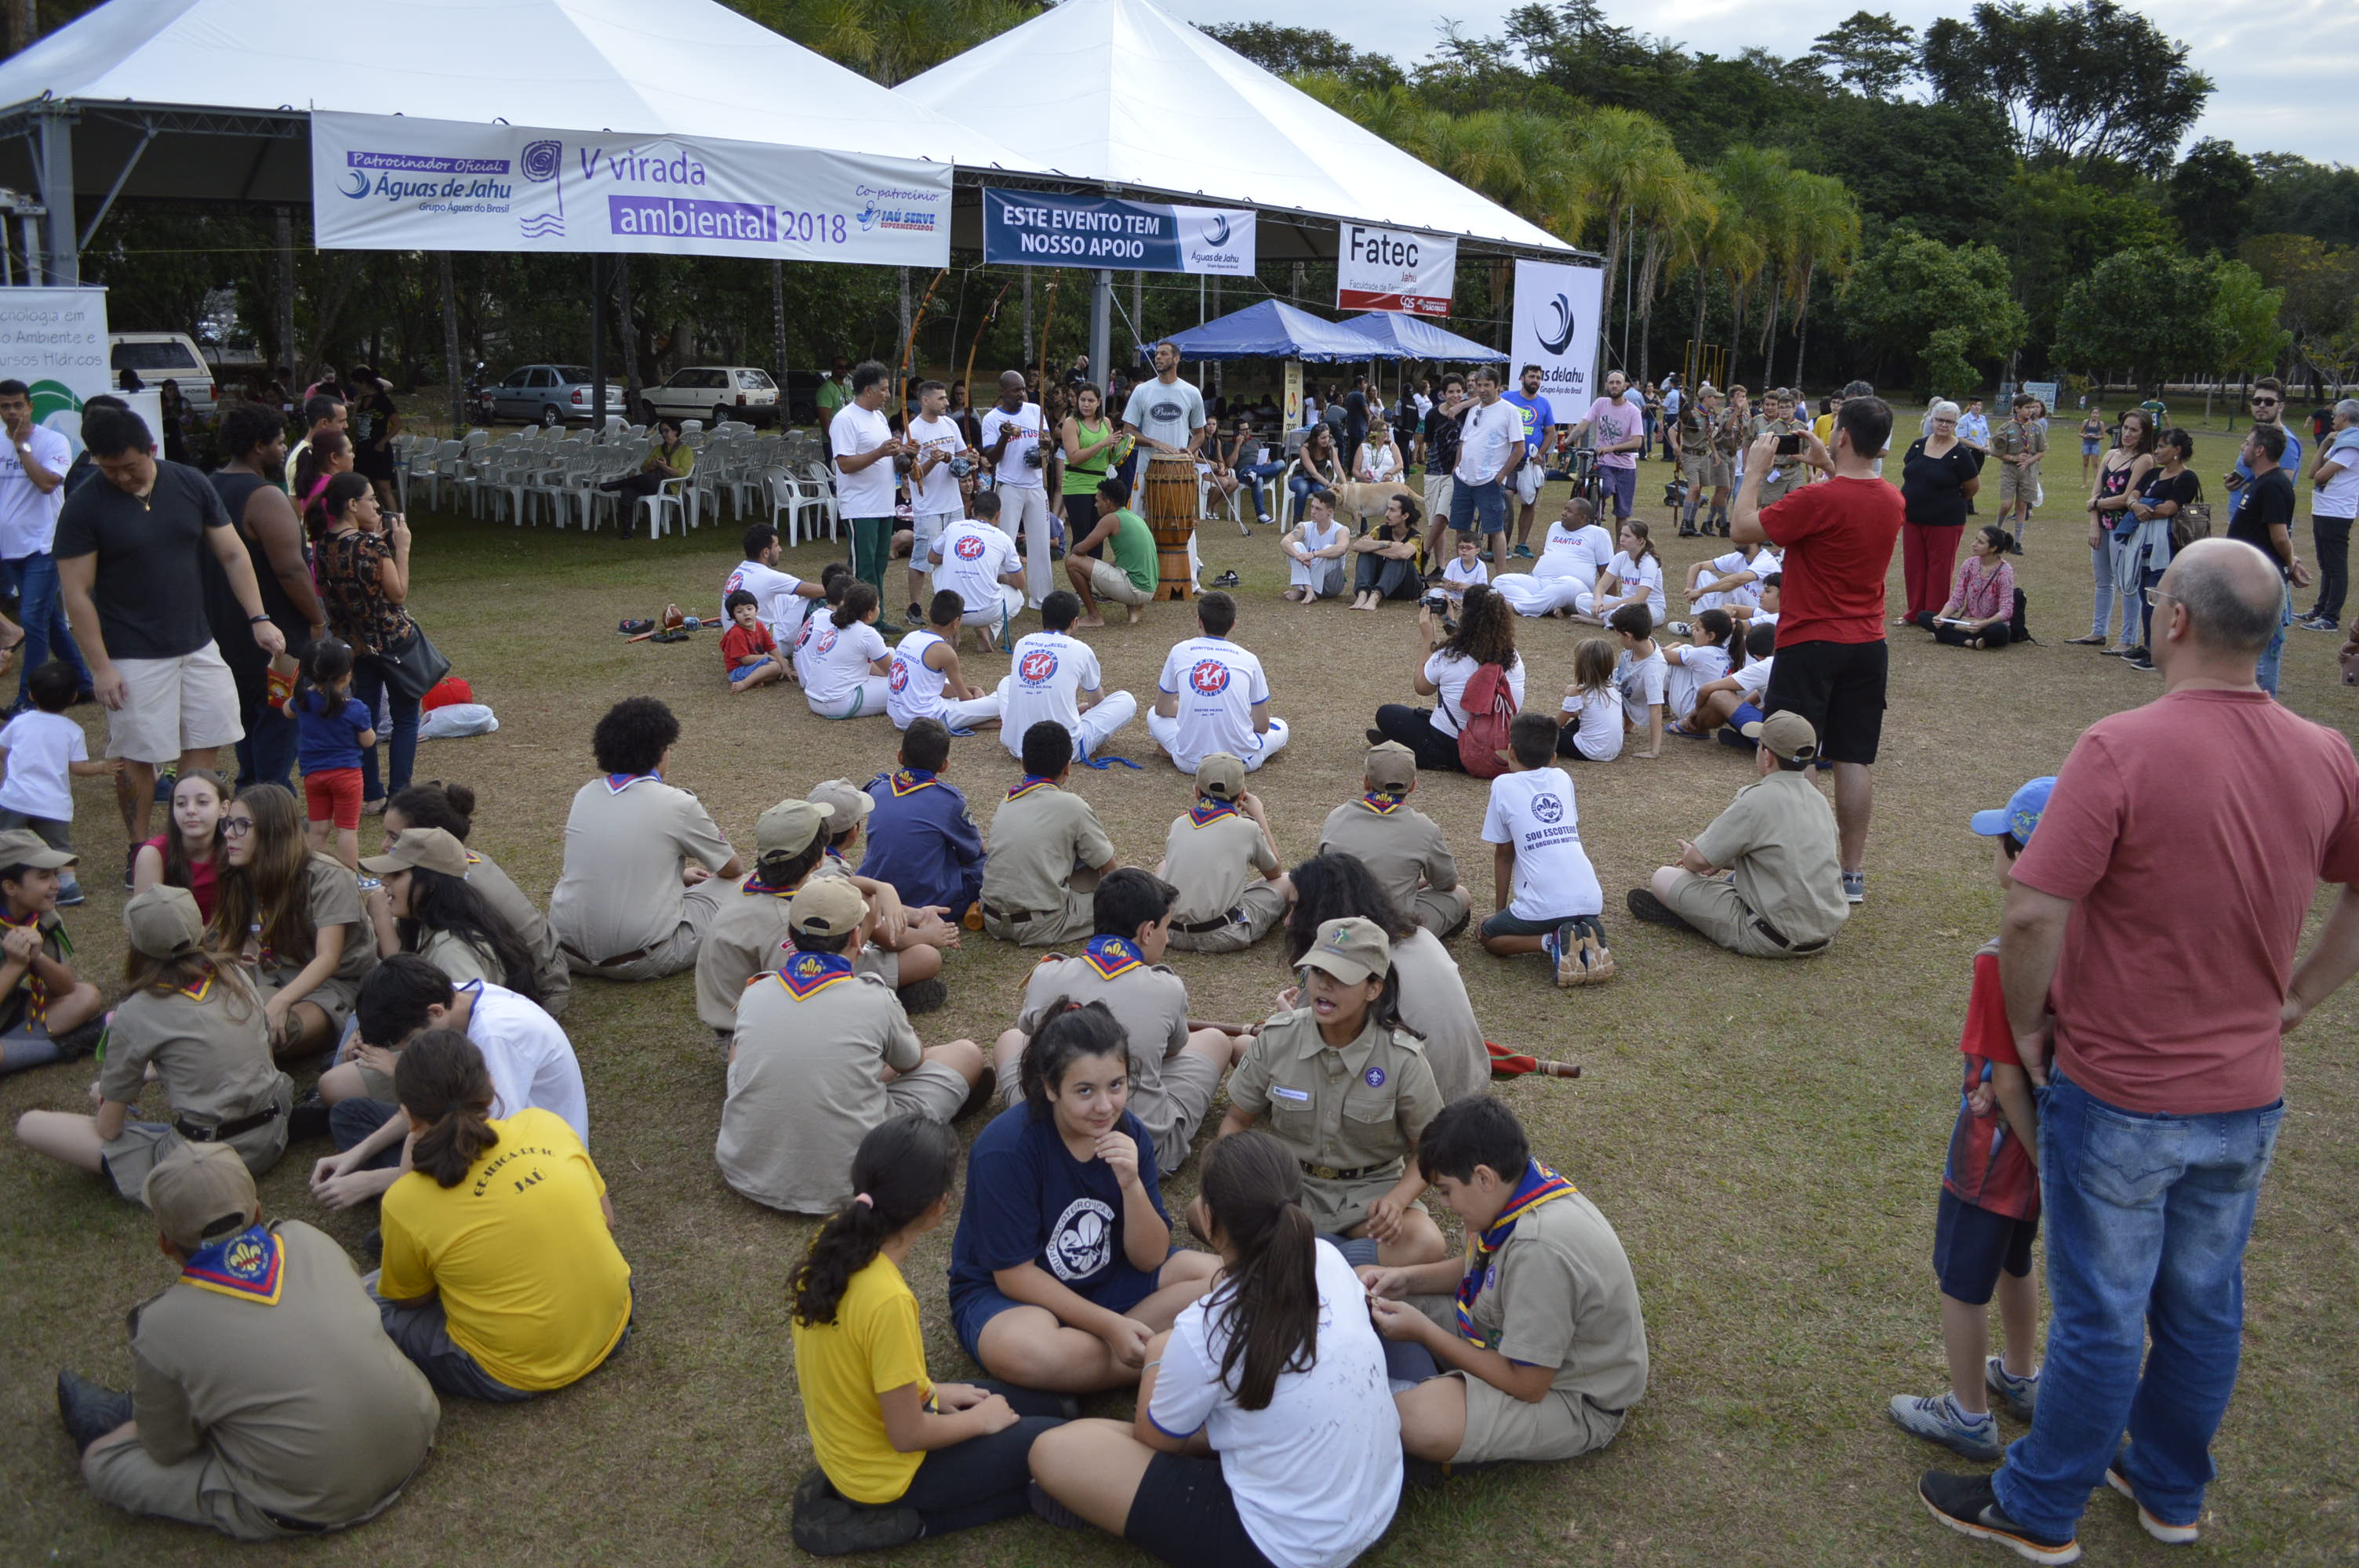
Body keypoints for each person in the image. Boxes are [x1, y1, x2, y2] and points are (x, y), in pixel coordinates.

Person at [1917, 539, 2359, 1564]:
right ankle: (2167, 1491)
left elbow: (2031, 910)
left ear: (2173, 621)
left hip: (2120, 1095)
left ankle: (2039, 1508)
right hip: (2245, 1096)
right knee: (2204, 1303)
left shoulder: (2120, 748)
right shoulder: (2327, 753)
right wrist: (2301, 998)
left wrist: (2029, 1028)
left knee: (2105, 1311)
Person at [1026, 1129, 1403, 1566]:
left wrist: (1156, 1356)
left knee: (1055, 1451)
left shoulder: (1205, 1327)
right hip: (1376, 1502)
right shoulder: (1329, 1260)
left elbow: (1156, 1438)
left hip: (1283, 1547)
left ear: (1208, 1219)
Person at [51, 1143, 438, 1541]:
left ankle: (124, 1418)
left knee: (103, 1463)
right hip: (418, 1432)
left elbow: (169, 1449)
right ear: (256, 1212)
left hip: (316, 1502)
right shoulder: (305, 1237)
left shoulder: (162, 1324)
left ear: (165, 1244)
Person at [786, 1116, 1072, 1556]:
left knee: (1057, 1405)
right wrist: (980, 1421)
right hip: (889, 1479)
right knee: (1057, 1447)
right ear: (938, 1207)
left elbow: (857, 1369)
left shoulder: (832, 1239)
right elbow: (906, 1434)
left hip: (861, 1449)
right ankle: (909, 1524)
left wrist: (936, 1391)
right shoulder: (887, 1300)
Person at [1886, 778, 2051, 1464]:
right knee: (2017, 1258)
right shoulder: (2097, 945)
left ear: (2019, 856)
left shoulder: (2000, 958)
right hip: (2053, 1149)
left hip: (1995, 1152)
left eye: (2001, 844)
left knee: (1961, 1277)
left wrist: (2038, 1152)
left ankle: (1968, 1413)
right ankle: (2020, 1375)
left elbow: (2005, 1078)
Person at [54, 409, 285, 871]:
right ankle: (140, 847)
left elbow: (233, 553)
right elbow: (76, 593)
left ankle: (190, 846)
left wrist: (258, 616)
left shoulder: (190, 483)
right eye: (108, 468)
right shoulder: (85, 503)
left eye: (130, 466)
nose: (119, 477)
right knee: (137, 755)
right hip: (131, 652)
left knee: (203, 744)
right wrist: (100, 667)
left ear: (151, 451)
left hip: (198, 642)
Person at [1361, 1095, 1648, 1466]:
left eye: (1446, 1191)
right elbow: (1481, 1268)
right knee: (1367, 1287)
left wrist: (1425, 1332)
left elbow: (1528, 1384)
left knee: (1417, 1419)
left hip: (1570, 1396)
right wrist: (1405, 1280)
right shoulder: (1517, 1188)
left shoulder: (1539, 1248)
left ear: (1483, 1177)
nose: (1445, 1204)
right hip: (1506, 1338)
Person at [948, 1002, 1221, 1392]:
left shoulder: (1131, 1134)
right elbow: (1013, 1276)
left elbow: (1150, 1258)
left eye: (1116, 1085)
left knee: (1223, 1280)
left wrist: (1132, 1186)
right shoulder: (1006, 1149)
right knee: (1027, 1350)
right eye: (1084, 1091)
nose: (1105, 1106)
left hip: (1108, 1276)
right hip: (1018, 1298)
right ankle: (1155, 1352)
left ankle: (1103, 1363)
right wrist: (1110, 1325)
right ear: (1049, 1087)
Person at [368, 1031, 632, 1401]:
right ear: (490, 1088)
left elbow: (412, 1301)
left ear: (409, 1116)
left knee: (367, 1299)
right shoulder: (546, 1124)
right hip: (616, 1321)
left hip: (514, 1372)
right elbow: (607, 1222)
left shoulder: (404, 1200)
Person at [718, 878, 981, 1215]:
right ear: (858, 936)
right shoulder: (874, 996)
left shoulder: (756, 991)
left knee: (746, 1050)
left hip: (748, 1172)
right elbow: (910, 1062)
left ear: (790, 935)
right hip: (856, 1180)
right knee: (965, 1054)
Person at [1734, 394, 1900, 906]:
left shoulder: (1815, 501)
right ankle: (1851, 874)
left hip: (1810, 642)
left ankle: (1802, 864)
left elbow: (1743, 527)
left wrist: (1754, 470)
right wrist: (1830, 464)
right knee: (1853, 758)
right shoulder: (1893, 499)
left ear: (1843, 434)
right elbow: (1855, 491)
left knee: (1791, 752)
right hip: (1868, 644)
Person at [16, 883, 286, 1185]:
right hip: (271, 1137)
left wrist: (106, 1097)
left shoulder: (137, 1012)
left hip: (205, 1162)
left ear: (134, 940)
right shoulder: (234, 973)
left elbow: (109, 1130)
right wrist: (149, 1074)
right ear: (198, 925)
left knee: (31, 1125)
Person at [1219, 915, 1448, 1269]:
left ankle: (1304, 1260)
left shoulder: (1402, 1058)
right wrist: (1231, 1181)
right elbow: (1236, 1120)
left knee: (1426, 1243)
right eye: (1318, 972)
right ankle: (1332, 1263)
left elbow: (1430, 1148)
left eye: (1341, 978)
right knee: (1205, 1213)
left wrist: (1397, 1201)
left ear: (1374, 989)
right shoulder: (1279, 1037)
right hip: (1287, 1189)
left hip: (1368, 1196)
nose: (1324, 986)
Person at [993, 867, 1242, 1176]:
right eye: (1166, 927)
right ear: (1148, 931)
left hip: (1053, 1137)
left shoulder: (1047, 975)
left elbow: (1031, 1036)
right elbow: (1173, 1053)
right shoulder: (1165, 987)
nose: (1166, 936)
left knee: (1011, 1040)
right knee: (1215, 1040)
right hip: (1138, 1152)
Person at [1626, 710, 1849, 958]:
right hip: (1823, 934)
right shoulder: (1817, 799)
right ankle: (1702, 913)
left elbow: (1697, 861)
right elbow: (1790, 856)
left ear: (1766, 756)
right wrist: (1724, 862)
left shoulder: (1755, 798)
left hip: (1769, 936)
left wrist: (1692, 857)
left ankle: (1696, 918)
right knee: (1735, 879)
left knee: (1663, 878)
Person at [547, 697, 741, 981]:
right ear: (660, 751)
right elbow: (731, 868)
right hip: (642, 959)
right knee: (741, 885)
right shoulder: (678, 804)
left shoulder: (585, 794)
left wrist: (676, 876)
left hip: (567, 952)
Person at [206, 405, 327, 793]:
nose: (283, 450)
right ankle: (270, 801)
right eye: (278, 443)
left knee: (247, 715)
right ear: (259, 446)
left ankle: (249, 789)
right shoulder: (264, 496)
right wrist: (317, 618)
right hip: (274, 629)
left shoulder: (208, 487)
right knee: (279, 714)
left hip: (223, 624)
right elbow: (290, 568)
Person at [208, 782, 376, 1057]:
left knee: (272, 1032)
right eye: (227, 823)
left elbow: (328, 958)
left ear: (273, 831)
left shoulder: (328, 876)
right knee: (222, 1022)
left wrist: (281, 1002)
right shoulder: (239, 871)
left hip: (339, 985)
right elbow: (227, 941)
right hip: (273, 976)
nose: (228, 833)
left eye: (241, 825)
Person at [379, 780, 569, 1018]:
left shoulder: (456, 889)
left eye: (394, 838)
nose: (384, 845)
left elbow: (473, 1008)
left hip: (541, 986)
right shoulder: (456, 865)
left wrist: (381, 917)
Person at [1475, 711, 1612, 985]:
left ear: (1510, 752)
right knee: (1558, 915)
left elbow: (1504, 854)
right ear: (1554, 757)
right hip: (1591, 901)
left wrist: (1500, 911)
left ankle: (1552, 942)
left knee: (1488, 936)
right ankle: (1581, 932)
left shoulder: (1502, 785)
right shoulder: (1562, 778)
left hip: (1542, 906)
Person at [311, 474, 420, 811]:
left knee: (366, 718)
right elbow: (398, 592)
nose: (376, 505)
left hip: (353, 647)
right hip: (391, 642)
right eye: (371, 498)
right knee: (405, 718)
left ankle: (372, 793)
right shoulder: (371, 546)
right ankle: (400, 793)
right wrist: (401, 548)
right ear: (352, 505)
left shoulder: (323, 545)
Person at [355, 826, 543, 1003]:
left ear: (430, 884)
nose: (384, 881)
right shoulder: (435, 920)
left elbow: (470, 1016)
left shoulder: (453, 952)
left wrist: (382, 921)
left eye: (396, 875)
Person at [980, 722, 1118, 947]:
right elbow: (1109, 868)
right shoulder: (1073, 806)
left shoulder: (1007, 800)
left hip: (991, 919)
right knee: (1124, 890)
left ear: (1023, 763)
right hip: (1042, 925)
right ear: (1068, 767)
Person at [1317, 740, 1470, 939]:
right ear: (1413, 785)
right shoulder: (1424, 828)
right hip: (1390, 931)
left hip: (1335, 924)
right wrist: (1415, 883)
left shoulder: (1337, 816)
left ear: (1366, 781)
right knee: (1461, 894)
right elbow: (1446, 885)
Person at [0, 377, 89, 713]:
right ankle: (83, 683)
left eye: (18, 405)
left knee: (32, 619)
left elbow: (47, 484)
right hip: (10, 548)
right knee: (49, 620)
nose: (12, 413)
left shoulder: (52, 441)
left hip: (44, 545)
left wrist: (22, 447)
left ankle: (27, 698)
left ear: (30, 406)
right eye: (5, 406)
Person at [1371, 586, 1523, 773]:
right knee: (1436, 712)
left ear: (1467, 616)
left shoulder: (1449, 655)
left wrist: (1428, 639)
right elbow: (1475, 654)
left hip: (1448, 746)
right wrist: (1449, 623)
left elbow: (1422, 687)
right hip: (1495, 745)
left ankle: (1406, 747)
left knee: (1388, 713)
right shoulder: (1514, 658)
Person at [1154, 753, 1290, 955]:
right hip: (1221, 934)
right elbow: (1274, 872)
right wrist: (1259, 815)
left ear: (1196, 792)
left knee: (1163, 865)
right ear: (1242, 794)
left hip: (1169, 932)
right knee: (1288, 879)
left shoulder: (1179, 823)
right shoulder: (1246, 828)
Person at [0, 658, 110, 902]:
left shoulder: (19, 722)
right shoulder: (72, 731)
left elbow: (2, 749)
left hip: (15, 798)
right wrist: (102, 768)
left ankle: (9, 882)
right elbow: (79, 768)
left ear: (31, 694)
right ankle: (68, 886)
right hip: (53, 803)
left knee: (7, 841)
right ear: (73, 697)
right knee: (58, 847)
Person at [1147, 589, 1286, 775]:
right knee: (1281, 726)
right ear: (1233, 624)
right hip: (1242, 762)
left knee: (1153, 715)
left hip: (1190, 762)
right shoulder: (1249, 659)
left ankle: (1175, 747)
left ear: (1199, 621)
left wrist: (1194, 709)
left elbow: (1161, 710)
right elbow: (1262, 726)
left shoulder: (1179, 651)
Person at [0, 826, 103, 1071]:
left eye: (56, 875)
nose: (57, 885)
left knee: (86, 996)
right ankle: (64, 1047)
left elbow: (65, 988)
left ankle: (9, 1051)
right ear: (11, 887)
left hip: (9, 1010)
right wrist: (15, 965)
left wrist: (39, 957)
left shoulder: (43, 916)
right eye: (44, 877)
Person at [992, 590, 1136, 763]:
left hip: (1018, 745)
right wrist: (1080, 709)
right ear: (1075, 622)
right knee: (1126, 700)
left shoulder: (1023, 642)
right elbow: (1096, 701)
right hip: (1064, 749)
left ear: (1043, 618)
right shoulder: (1080, 649)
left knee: (1005, 682)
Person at [2226, 421, 2308, 698]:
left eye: (2247, 443)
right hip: (2247, 578)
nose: (2243, 447)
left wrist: (2290, 563)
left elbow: (2280, 537)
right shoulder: (2258, 482)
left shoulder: (2274, 485)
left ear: (2260, 450)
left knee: (2264, 651)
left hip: (2263, 582)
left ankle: (2263, 705)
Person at [2070, 407, 2155, 652]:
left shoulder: (2144, 460)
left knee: (2126, 583)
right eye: (2126, 428)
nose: (2128, 434)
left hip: (2125, 528)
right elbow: (2096, 492)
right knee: (2102, 580)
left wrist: (2095, 504)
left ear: (2144, 434)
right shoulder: (2110, 454)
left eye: (2134, 430)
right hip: (2103, 526)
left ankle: (2127, 638)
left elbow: (2127, 497)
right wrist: (2094, 524)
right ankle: (2098, 631)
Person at [829, 363, 909, 621]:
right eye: (884, 390)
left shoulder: (878, 418)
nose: (888, 395)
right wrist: (880, 452)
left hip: (884, 504)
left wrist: (904, 452)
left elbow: (888, 457)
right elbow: (845, 464)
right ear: (868, 390)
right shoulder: (845, 419)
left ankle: (878, 616)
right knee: (863, 567)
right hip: (860, 506)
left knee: (879, 565)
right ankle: (861, 619)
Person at [290, 637, 375, 870]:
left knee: (318, 829)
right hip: (346, 775)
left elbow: (287, 711)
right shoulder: (355, 708)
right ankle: (351, 877)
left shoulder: (302, 701)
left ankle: (312, 875)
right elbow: (368, 741)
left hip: (314, 776)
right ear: (347, 674)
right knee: (347, 830)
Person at [1898, 401, 1983, 625]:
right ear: (1931, 419)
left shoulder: (1961, 454)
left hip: (1946, 520)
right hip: (1913, 518)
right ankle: (1914, 613)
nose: (1943, 425)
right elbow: (1910, 471)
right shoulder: (1917, 446)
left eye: (1949, 421)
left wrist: (1947, 501)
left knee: (1940, 569)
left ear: (1955, 424)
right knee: (1914, 567)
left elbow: (1972, 487)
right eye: (1939, 420)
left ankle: (1935, 615)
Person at [980, 370, 1054, 609]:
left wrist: (1047, 445)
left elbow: (1048, 444)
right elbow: (991, 457)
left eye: (1023, 389)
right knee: (1005, 542)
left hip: (1035, 485)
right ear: (1002, 392)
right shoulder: (992, 418)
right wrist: (1004, 437)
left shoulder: (1035, 411)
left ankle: (1041, 599)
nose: (1022, 394)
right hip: (1009, 486)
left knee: (1040, 543)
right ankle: (1001, 596)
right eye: (1016, 390)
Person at [901, 379, 970, 625]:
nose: (947, 402)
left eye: (945, 397)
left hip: (954, 505)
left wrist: (967, 461)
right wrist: (932, 461)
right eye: (941, 398)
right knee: (922, 559)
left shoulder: (950, 424)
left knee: (956, 557)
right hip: (928, 508)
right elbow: (912, 474)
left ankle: (955, 605)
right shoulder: (914, 431)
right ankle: (915, 607)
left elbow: (962, 458)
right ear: (925, 401)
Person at [887, 590, 1001, 732]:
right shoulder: (945, 651)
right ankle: (971, 722)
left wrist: (972, 689)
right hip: (928, 719)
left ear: (929, 612)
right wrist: (977, 698)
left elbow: (931, 686)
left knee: (938, 680)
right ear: (956, 622)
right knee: (1000, 699)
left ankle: (969, 722)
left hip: (900, 718)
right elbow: (965, 699)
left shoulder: (910, 637)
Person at [929, 494, 1027, 654]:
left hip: (950, 609)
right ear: (998, 515)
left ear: (972, 511)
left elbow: (932, 558)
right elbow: (1020, 583)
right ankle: (988, 630)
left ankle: (950, 630)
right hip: (986, 613)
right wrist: (997, 577)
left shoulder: (954, 527)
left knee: (939, 568)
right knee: (1018, 598)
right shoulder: (1003, 539)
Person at [1493, 495, 1613, 620]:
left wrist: (1611, 599)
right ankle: (1546, 607)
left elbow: (1608, 570)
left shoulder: (1599, 534)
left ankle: (1516, 608)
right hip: (1541, 582)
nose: (1563, 513)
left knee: (1567, 583)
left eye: (1569, 511)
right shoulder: (1555, 527)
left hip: (1575, 589)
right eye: (1565, 509)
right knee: (1500, 581)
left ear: (1582, 518)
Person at [132, 767, 227, 923]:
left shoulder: (236, 849)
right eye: (181, 804)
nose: (190, 810)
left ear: (224, 808)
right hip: (173, 943)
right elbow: (145, 925)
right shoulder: (153, 854)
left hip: (230, 942)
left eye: (202, 802)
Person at [1448, 367, 1521, 561]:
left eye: (1487, 385)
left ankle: (1500, 578)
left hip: (1489, 479)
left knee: (1496, 530)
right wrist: (1456, 469)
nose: (1482, 389)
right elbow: (1464, 442)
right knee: (1460, 528)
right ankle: (1462, 572)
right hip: (1464, 478)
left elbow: (1519, 448)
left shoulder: (1509, 411)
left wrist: (1501, 475)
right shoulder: (1474, 410)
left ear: (1497, 386)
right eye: (1479, 385)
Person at [2300, 397, 2359, 632]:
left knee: (2336, 566)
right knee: (2325, 563)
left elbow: (2321, 476)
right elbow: (2313, 472)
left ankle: (2330, 618)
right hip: (2324, 508)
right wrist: (2324, 444)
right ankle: (2319, 610)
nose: (2332, 419)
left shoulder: (2352, 444)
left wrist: (2323, 466)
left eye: (2335, 415)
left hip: (2337, 511)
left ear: (2344, 417)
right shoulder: (2339, 442)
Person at [1067, 478, 1156, 627]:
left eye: (1097, 501)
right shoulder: (1133, 517)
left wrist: (1077, 553)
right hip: (1148, 589)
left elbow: (1080, 550)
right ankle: (1135, 607)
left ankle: (1094, 617)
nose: (1095, 505)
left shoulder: (1111, 519)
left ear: (1107, 502)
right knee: (1113, 564)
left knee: (1073, 562)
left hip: (1135, 589)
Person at [1910, 526, 2018, 649]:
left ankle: (1950, 636)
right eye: (1976, 539)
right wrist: (1941, 617)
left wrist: (1983, 623)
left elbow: (2007, 610)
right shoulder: (1969, 564)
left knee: (2002, 632)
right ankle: (1969, 641)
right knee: (1924, 617)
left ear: (1993, 548)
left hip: (1989, 624)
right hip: (1965, 622)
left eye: (1980, 542)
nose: (1974, 544)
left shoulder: (2005, 571)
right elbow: (1958, 598)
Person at [723, 523, 826, 650]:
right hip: (762, 646)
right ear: (766, 552)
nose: (780, 549)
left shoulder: (739, 570)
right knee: (815, 600)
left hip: (736, 641)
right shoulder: (768, 577)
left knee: (788, 595)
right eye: (776, 546)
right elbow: (820, 591)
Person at [801, 583, 894, 720]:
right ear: (869, 614)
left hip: (814, 699)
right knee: (905, 688)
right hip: (838, 703)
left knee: (891, 653)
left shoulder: (835, 627)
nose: (879, 610)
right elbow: (894, 672)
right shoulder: (867, 633)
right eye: (877, 606)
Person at [1571, 368, 1645, 530]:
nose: (1614, 385)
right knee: (1606, 488)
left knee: (1623, 514)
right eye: (1611, 382)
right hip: (1604, 463)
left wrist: (1611, 448)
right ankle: (1598, 508)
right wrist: (1569, 440)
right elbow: (1585, 423)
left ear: (1625, 386)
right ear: (1606, 385)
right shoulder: (1600, 403)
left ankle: (1620, 548)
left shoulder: (1633, 411)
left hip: (1626, 467)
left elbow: (1637, 442)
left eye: (1618, 382)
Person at [1498, 364, 1557, 556]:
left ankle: (1521, 544)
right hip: (1507, 460)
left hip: (1530, 464)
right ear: (1522, 378)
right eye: (1532, 376)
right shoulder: (1507, 398)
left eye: (1538, 378)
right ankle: (1501, 545)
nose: (1535, 381)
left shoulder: (1544, 404)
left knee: (1529, 503)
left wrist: (1541, 453)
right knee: (1504, 500)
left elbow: (1550, 432)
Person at [1058, 382, 1124, 550]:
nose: (1086, 404)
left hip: (1100, 485)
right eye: (1082, 400)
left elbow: (1109, 457)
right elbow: (1074, 458)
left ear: (1099, 402)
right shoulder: (1071, 423)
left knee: (1098, 537)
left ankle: (1093, 576)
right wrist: (1103, 443)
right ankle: (1078, 573)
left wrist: (1118, 448)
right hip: (1077, 485)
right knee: (1082, 537)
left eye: (1091, 400)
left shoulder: (1106, 423)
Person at [1659, 609, 1742, 733]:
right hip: (1715, 713)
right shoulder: (1728, 652)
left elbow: (1663, 656)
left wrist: (1668, 645)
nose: (1693, 632)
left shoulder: (1703, 654)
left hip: (1692, 711)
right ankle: (1665, 704)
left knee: (1682, 651)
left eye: (1697, 629)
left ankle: (1663, 703)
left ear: (1711, 636)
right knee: (1685, 651)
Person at [1347, 492, 1423, 610]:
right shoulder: (1380, 530)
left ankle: (1375, 598)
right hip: (1386, 582)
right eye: (1387, 509)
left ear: (1405, 516)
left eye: (1392, 510)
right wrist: (1388, 545)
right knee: (1366, 552)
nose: (1387, 514)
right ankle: (1362, 595)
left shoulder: (1416, 537)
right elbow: (1357, 546)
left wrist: (1372, 547)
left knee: (1399, 558)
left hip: (1407, 586)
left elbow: (1403, 553)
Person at [1555, 638, 1623, 761]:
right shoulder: (1612, 688)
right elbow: (1590, 715)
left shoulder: (1582, 692)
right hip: (1613, 750)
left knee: (1546, 732)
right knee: (1578, 721)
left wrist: (1570, 695)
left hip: (1589, 751)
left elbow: (1557, 725)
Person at [1990, 394, 2047, 538]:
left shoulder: (2037, 428)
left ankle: (2018, 539)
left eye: (2033, 408)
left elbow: (2042, 451)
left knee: (2022, 506)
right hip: (2010, 471)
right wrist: (2014, 458)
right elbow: (1996, 453)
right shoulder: (2006, 428)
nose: (2031, 411)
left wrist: (2029, 461)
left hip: (2028, 471)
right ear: (2017, 408)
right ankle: (1998, 530)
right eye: (2027, 408)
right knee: (2006, 504)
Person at [1590, 520, 1667, 626]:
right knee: (1582, 599)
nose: (1622, 539)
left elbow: (1640, 599)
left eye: (1627, 536)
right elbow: (1601, 586)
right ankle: (1611, 618)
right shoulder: (1620, 557)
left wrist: (1608, 607)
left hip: (1648, 608)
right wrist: (1598, 600)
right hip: (1623, 603)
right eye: (1621, 534)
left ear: (1640, 540)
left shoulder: (1648, 562)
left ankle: (1601, 620)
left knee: (1626, 611)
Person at [1279, 490, 1350, 604]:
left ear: (1330, 512)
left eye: (1318, 509)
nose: (1313, 512)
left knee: (1329, 549)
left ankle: (1303, 591)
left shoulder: (1341, 529)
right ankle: (1309, 591)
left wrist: (1313, 555)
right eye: (1312, 507)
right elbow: (1285, 542)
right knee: (1296, 546)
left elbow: (1341, 549)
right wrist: (1299, 556)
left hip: (1331, 584)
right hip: (1309, 576)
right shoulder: (1304, 527)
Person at [1420, 373, 1465, 547]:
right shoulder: (1432, 414)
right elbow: (1429, 442)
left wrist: (1464, 404)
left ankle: (1424, 551)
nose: (1455, 395)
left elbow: (1484, 399)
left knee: (1442, 515)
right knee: (1434, 523)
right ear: (1444, 394)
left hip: (1454, 472)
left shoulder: (1466, 412)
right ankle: (1440, 566)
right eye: (1451, 392)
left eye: (1459, 391)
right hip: (1433, 471)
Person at [1676, 387, 1727, 535]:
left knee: (1700, 489)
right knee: (1694, 488)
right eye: (1714, 397)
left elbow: (1709, 436)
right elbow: (1673, 430)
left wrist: (1715, 454)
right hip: (1690, 455)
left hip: (1703, 455)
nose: (1717, 400)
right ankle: (1684, 524)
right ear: (1706, 398)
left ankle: (1691, 523)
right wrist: (1675, 446)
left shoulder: (1709, 415)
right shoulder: (1691, 415)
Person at [719, 589, 789, 694]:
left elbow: (772, 648)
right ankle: (745, 683)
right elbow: (745, 660)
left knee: (783, 662)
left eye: (749, 608)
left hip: (753, 665)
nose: (746, 613)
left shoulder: (759, 626)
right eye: (740, 611)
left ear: (757, 610)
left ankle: (758, 679)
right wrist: (768, 657)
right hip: (738, 671)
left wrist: (786, 668)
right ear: (734, 617)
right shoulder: (737, 633)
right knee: (775, 666)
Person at [280, 393, 346, 491]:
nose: (346, 426)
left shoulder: (325, 449)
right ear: (324, 423)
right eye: (341, 421)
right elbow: (298, 503)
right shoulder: (300, 458)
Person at [1285, 424, 1342, 525]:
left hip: (1319, 478)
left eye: (1328, 437)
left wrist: (1346, 483)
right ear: (1315, 438)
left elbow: (1338, 467)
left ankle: (1321, 522)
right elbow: (1313, 473)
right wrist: (1329, 485)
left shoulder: (1330, 448)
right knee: (1303, 488)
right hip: (1302, 476)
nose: (1326, 440)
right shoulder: (1305, 449)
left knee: (1320, 491)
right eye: (1323, 438)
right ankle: (1297, 521)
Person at [2078, 405, 2105, 483]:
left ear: (2099, 415)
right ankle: (2084, 483)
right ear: (2090, 414)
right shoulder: (2086, 422)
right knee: (2085, 463)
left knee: (2095, 463)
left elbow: (2103, 436)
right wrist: (2084, 435)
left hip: (2095, 444)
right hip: (2086, 444)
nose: (2095, 415)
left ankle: (2096, 483)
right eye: (2093, 413)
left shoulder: (2101, 423)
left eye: (2097, 413)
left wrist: (2096, 437)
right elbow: (2080, 433)